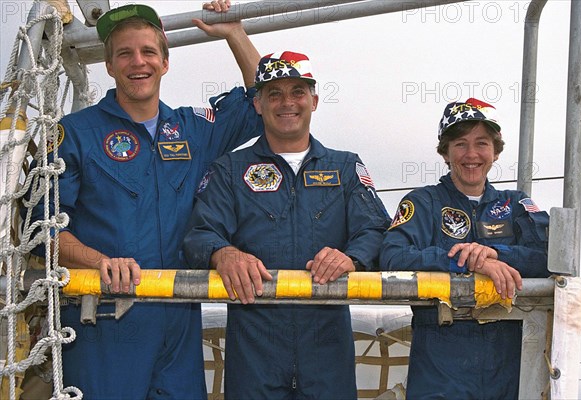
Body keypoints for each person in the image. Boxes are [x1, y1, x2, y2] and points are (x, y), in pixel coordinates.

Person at [27, 2, 262, 399]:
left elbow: (261, 100)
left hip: (178, 320)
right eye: (125, 53)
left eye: (149, 52)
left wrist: (235, 33)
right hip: (102, 318)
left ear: (165, 62)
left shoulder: (191, 129)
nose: (139, 62)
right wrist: (97, 261)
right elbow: (41, 231)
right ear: (109, 65)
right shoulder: (74, 134)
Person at [183, 50, 391, 399]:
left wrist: (351, 259)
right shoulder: (228, 170)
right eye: (274, 93)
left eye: (297, 92)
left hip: (327, 349)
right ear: (258, 104)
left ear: (314, 100)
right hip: (254, 350)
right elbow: (199, 234)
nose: (287, 102)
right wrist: (224, 254)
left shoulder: (345, 168)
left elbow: (378, 230)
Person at [379, 98, 551, 400]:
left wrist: (496, 254)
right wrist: (465, 261)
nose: (471, 155)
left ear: (496, 151)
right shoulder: (422, 203)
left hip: (510, 369)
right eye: (460, 144)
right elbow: (392, 257)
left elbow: (552, 258)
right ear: (445, 151)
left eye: (481, 143)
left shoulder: (516, 205)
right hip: (440, 372)